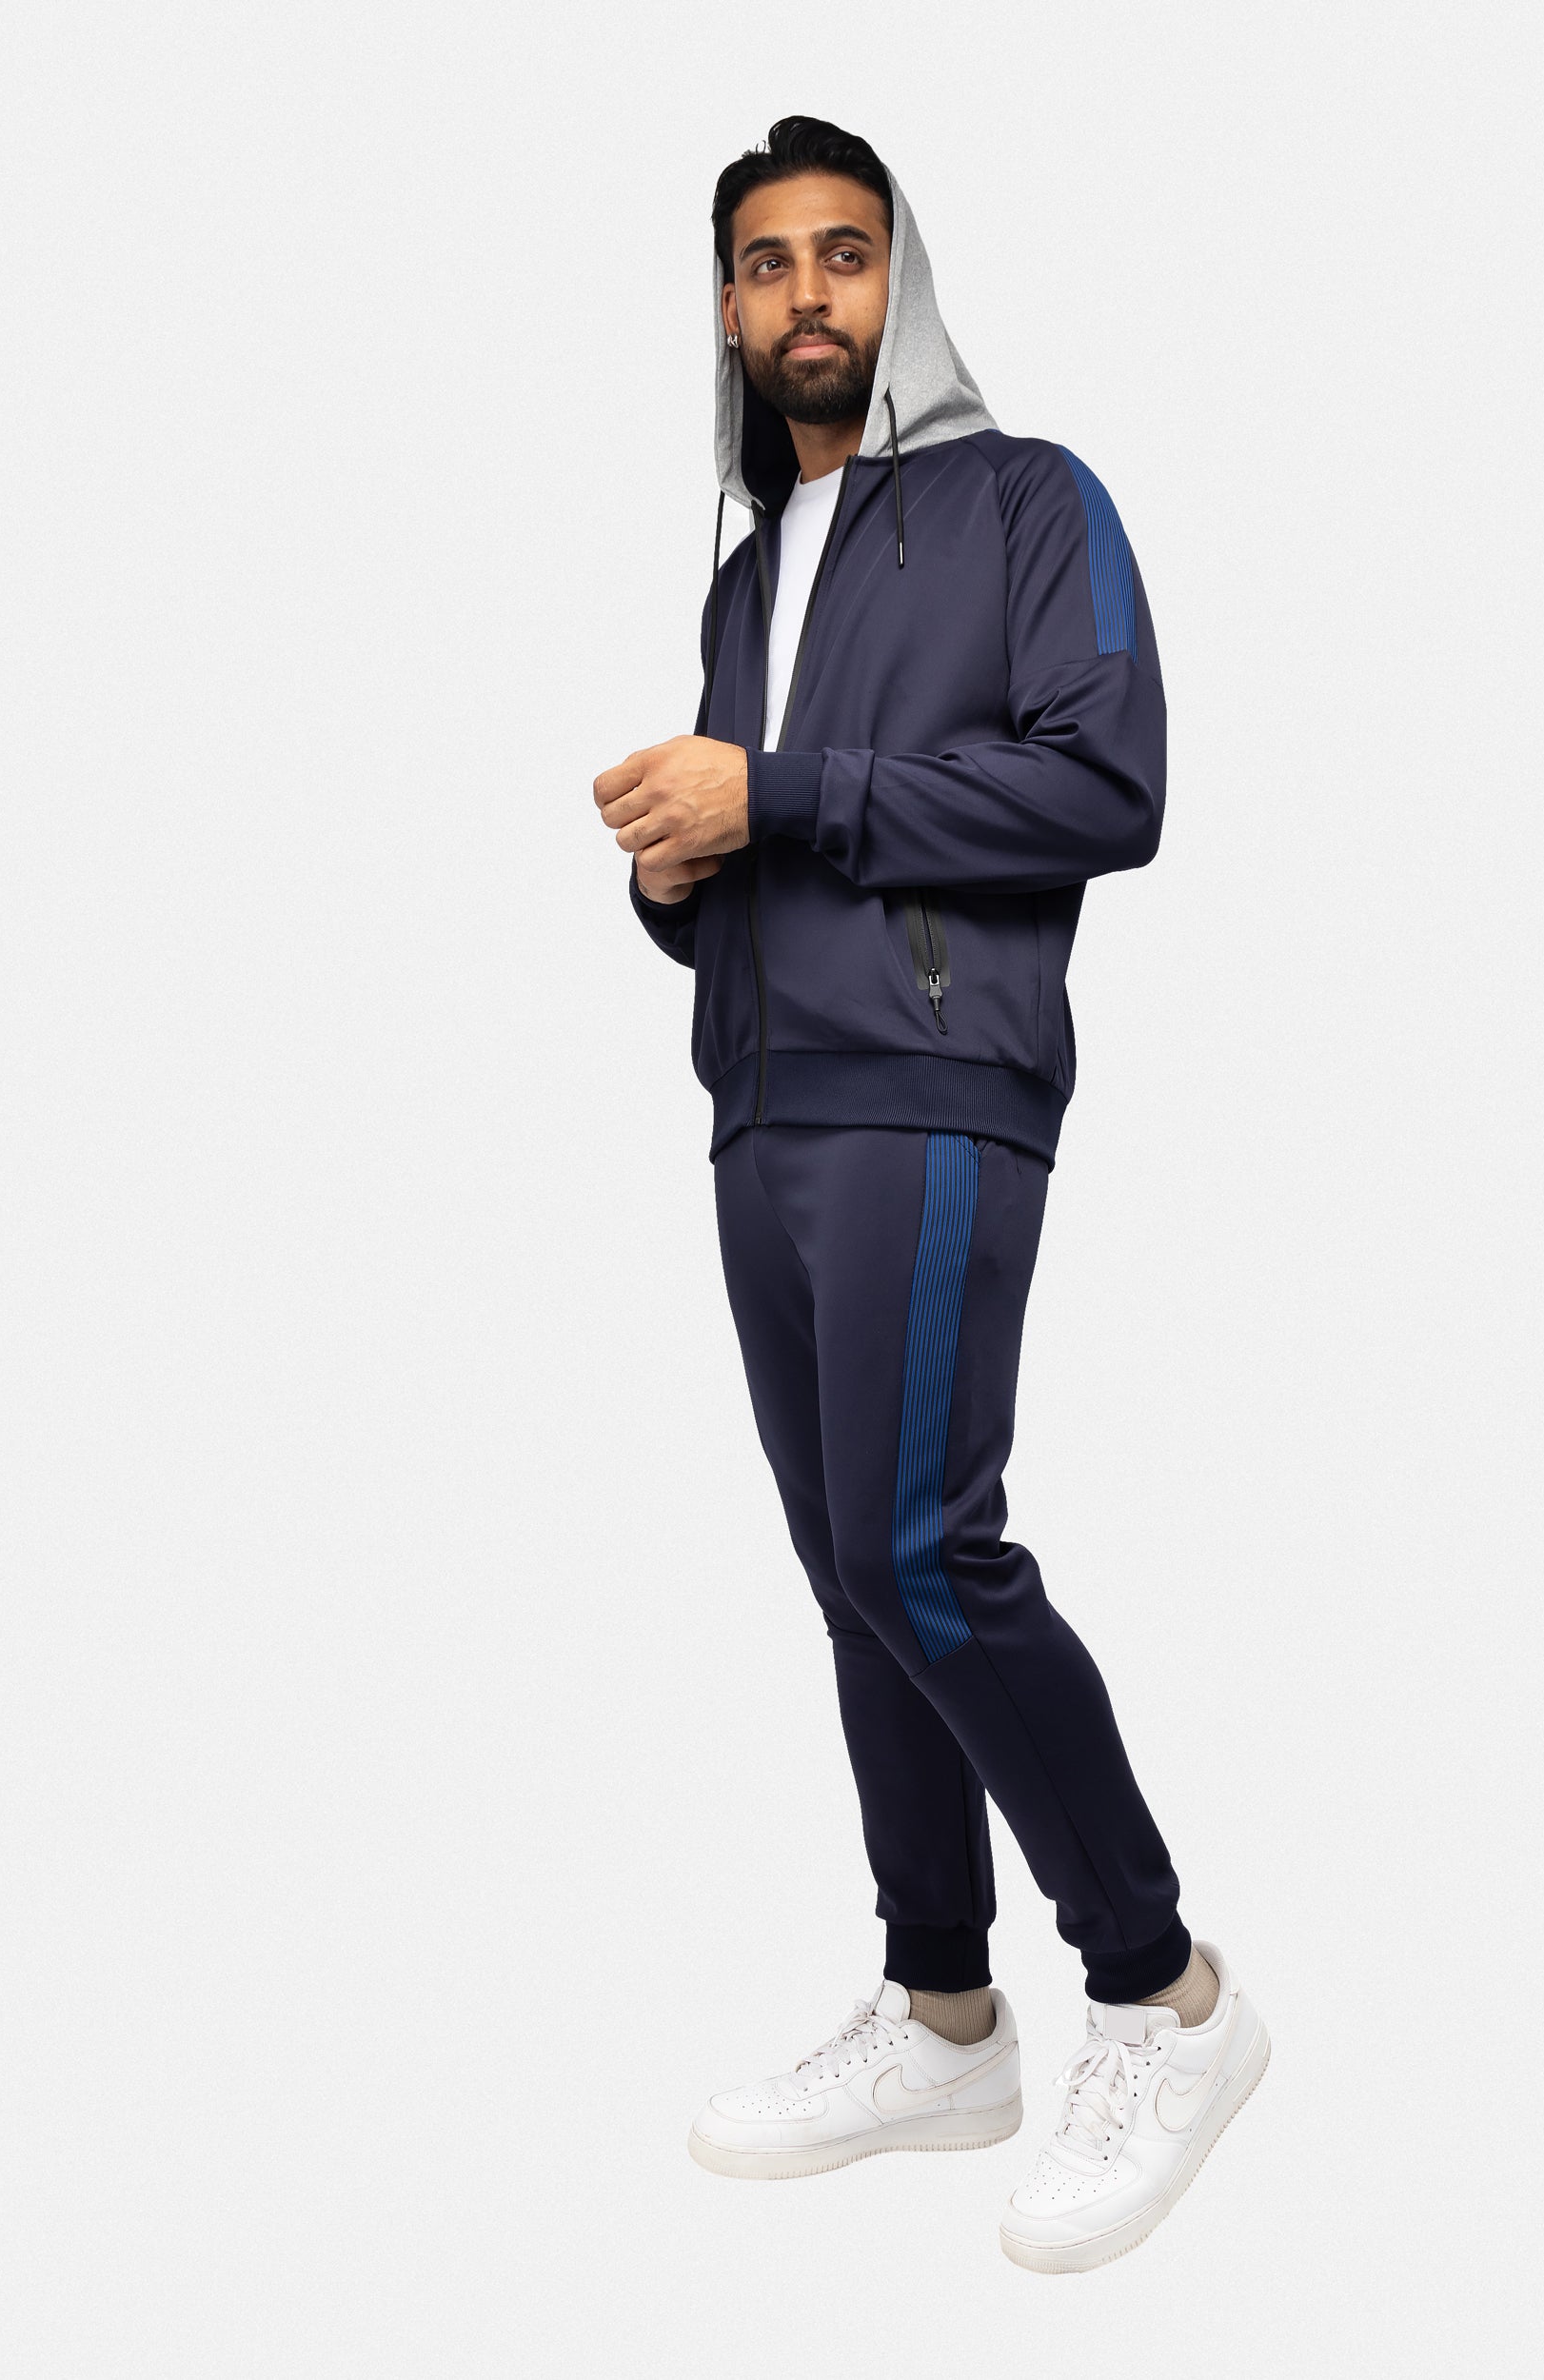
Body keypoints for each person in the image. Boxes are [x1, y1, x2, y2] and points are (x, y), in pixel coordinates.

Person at [593, 115, 1269, 2273]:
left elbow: (1104, 782)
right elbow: (771, 850)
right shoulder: (741, 573)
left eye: (844, 253)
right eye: (764, 262)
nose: (805, 293)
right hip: (762, 1109)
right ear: (724, 308)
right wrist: (676, 872)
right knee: (849, 1575)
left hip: (934, 1091)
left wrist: (778, 791)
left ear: (904, 281)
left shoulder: (1025, 499)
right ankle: (944, 2010)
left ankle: (1167, 1994)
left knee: (924, 1548)